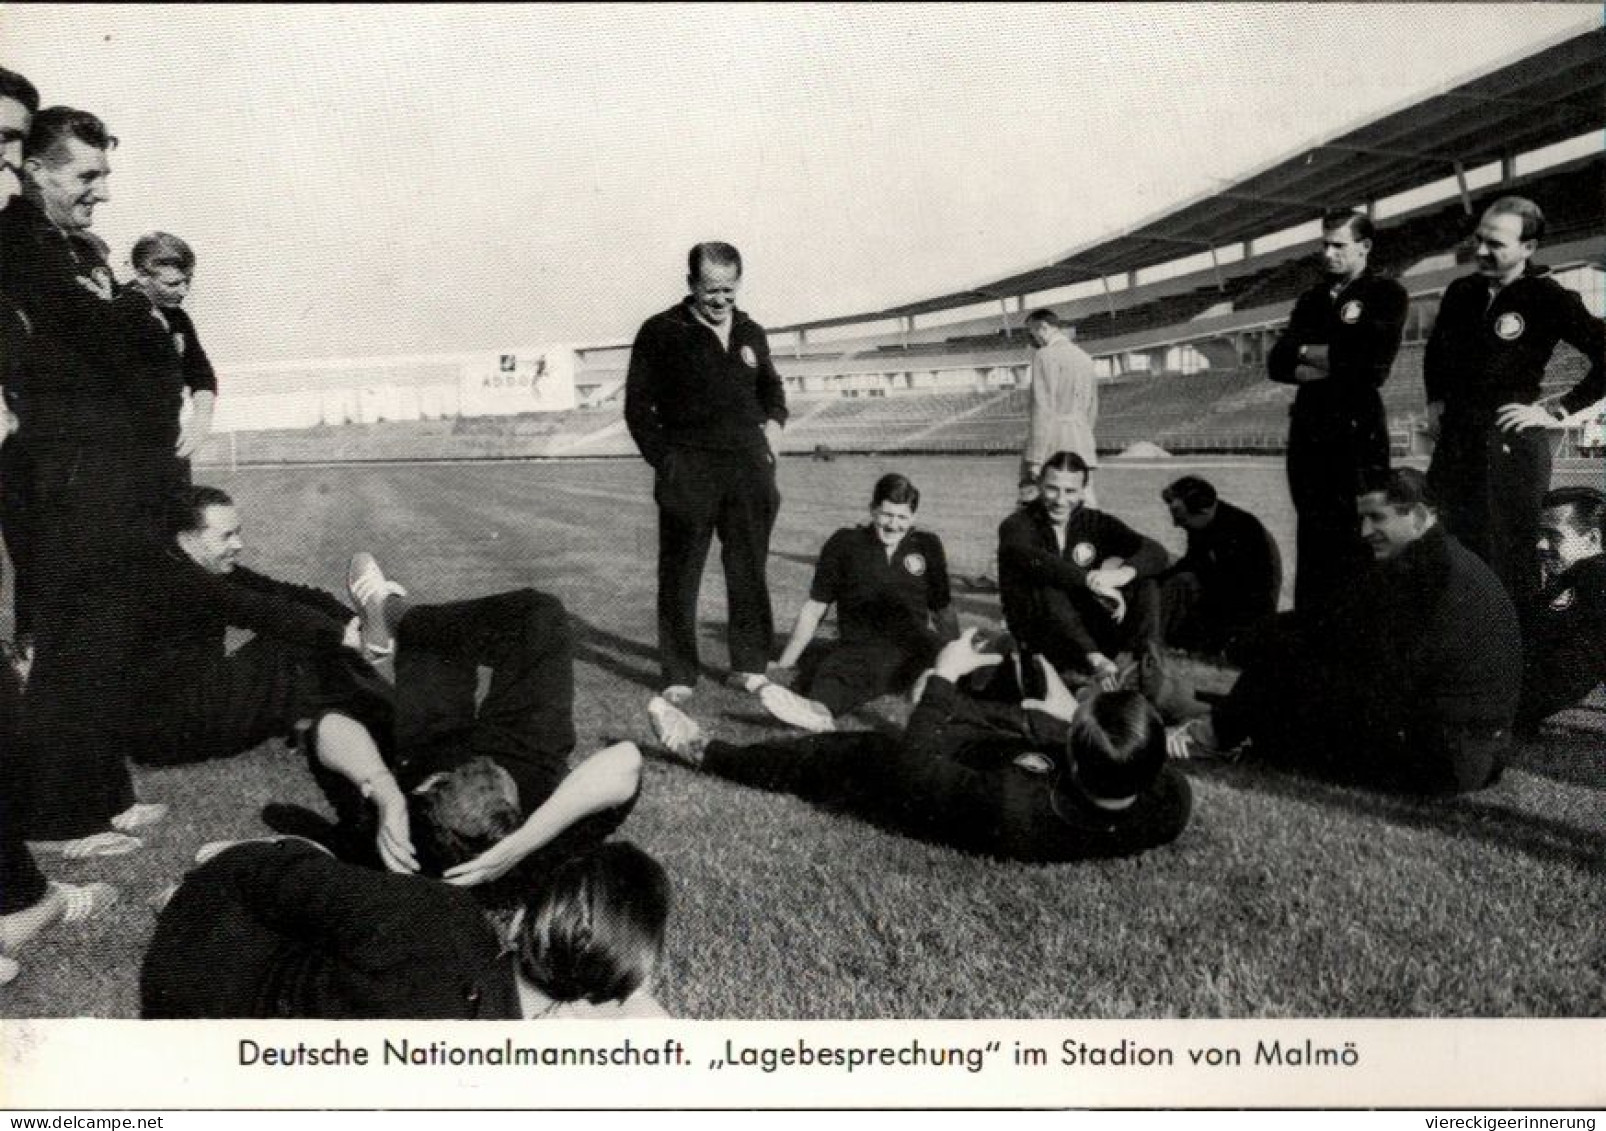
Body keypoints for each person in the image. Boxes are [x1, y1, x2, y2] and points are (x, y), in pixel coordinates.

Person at [125, 486, 641, 888]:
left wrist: (387, 789)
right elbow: (625, 764)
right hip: (523, 762)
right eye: (227, 535)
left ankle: (396, 628)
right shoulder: (535, 847)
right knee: (540, 614)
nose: (237, 543)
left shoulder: (399, 849)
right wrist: (525, 839)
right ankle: (397, 617)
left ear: (424, 796)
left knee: (324, 653)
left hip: (427, 744)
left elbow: (327, 722)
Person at [647, 629, 1190, 863]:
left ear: (1076, 757)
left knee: (849, 754)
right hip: (1020, 764)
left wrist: (943, 676)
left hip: (934, 790)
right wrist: (1062, 718)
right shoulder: (1168, 799)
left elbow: (913, 765)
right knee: (996, 722)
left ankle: (705, 750)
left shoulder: (1012, 805)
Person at [2, 105, 173, 842]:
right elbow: (106, 336)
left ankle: (104, 792)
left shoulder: (82, 247)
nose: (100, 190)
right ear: (34, 170)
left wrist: (128, 318)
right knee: (70, 644)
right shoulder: (17, 242)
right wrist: (132, 314)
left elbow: (137, 342)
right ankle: (57, 818)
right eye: (86, 174)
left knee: (105, 639)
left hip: (102, 471)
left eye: (105, 174)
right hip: (57, 474)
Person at [1170, 469, 1520, 796]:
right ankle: (1213, 725)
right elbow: (1334, 619)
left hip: (1441, 756)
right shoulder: (1435, 560)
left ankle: (1207, 736)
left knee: (1287, 680)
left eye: (1377, 517)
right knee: (1287, 671)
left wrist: (1273, 655)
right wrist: (1259, 636)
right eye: (1363, 518)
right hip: (1472, 752)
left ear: (1416, 516)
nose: (1365, 531)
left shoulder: (1431, 576)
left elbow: (1376, 668)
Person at [0, 64, 119, 985]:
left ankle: (55, 835)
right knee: (45, 645)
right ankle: (46, 841)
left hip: (68, 465)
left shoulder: (59, 246)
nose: (7, 168)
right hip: (45, 470)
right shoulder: (23, 245)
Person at [141, 835, 669, 1019]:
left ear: (526, 916)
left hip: (199, 979)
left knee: (305, 859)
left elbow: (276, 879)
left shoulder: (443, 916)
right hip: (216, 1022)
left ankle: (187, 885)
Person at [624, 241, 788, 701]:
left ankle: (750, 666)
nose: (720, 300)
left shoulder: (752, 330)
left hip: (749, 471)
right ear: (692, 284)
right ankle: (679, 673)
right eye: (711, 290)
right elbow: (638, 409)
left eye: (729, 291)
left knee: (748, 569)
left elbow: (772, 388)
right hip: (689, 470)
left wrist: (774, 426)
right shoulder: (660, 331)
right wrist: (669, 462)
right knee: (680, 573)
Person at [1424, 196, 1605, 607]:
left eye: (1497, 244)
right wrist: (1435, 400)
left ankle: (1514, 664)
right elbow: (1436, 350)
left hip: (1507, 449)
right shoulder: (1460, 292)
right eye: (1480, 240)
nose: (1482, 252)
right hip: (1455, 447)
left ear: (1528, 247)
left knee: (1507, 568)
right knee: (1447, 559)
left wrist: (1556, 410)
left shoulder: (1547, 296)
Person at [1267, 210, 1408, 614]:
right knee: (1312, 534)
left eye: (1338, 245)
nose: (1329, 253)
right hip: (1309, 432)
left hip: (1356, 432)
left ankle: (1360, 636)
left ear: (1364, 247)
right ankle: (1314, 634)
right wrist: (1331, 358)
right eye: (1324, 245)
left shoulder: (1386, 294)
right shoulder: (1311, 299)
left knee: (1360, 533)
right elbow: (1276, 362)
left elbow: (1372, 365)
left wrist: (1308, 351)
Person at [759, 473, 959, 733]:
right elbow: (815, 607)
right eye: (886, 515)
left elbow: (943, 609)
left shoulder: (927, 545)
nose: (893, 525)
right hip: (864, 643)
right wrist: (787, 660)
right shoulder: (845, 542)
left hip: (916, 642)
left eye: (902, 518)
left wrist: (955, 653)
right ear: (872, 510)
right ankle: (818, 711)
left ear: (913, 518)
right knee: (844, 670)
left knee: (973, 666)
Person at [998, 451, 1166, 690]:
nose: (1060, 500)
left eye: (1070, 491)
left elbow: (1155, 550)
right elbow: (1030, 557)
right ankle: (1094, 663)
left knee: (1145, 582)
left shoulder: (1093, 522)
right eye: (1052, 488)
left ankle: (1142, 668)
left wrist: (1121, 575)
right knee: (1046, 582)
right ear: (1038, 485)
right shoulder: (1018, 524)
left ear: (1083, 490)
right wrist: (1091, 581)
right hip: (1041, 631)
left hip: (1086, 625)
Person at [1155, 475, 1281, 657]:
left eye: (1182, 519)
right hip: (1220, 597)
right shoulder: (1203, 524)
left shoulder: (1243, 531)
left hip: (1246, 611)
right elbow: (1193, 561)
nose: (1175, 525)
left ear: (1205, 510)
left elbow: (1240, 596)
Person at [127, 231, 217, 484]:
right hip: (127, 451)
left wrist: (201, 419)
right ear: (142, 276)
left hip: (168, 443)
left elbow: (201, 373)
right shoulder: (119, 315)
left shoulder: (177, 317)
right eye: (173, 284)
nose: (184, 291)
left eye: (188, 281)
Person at [1516, 486, 1606, 734]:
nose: (1541, 545)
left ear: (1592, 539)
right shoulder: (1574, 578)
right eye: (1540, 534)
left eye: (1553, 535)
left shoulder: (1592, 581)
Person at [1019, 309, 1099, 508]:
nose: (1033, 339)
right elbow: (1093, 407)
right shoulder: (1085, 358)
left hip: (1052, 442)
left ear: (1043, 328)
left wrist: (1036, 459)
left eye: (1032, 333)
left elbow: (1042, 407)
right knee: (1084, 500)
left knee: (1035, 502)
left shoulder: (1044, 355)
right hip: (1082, 441)